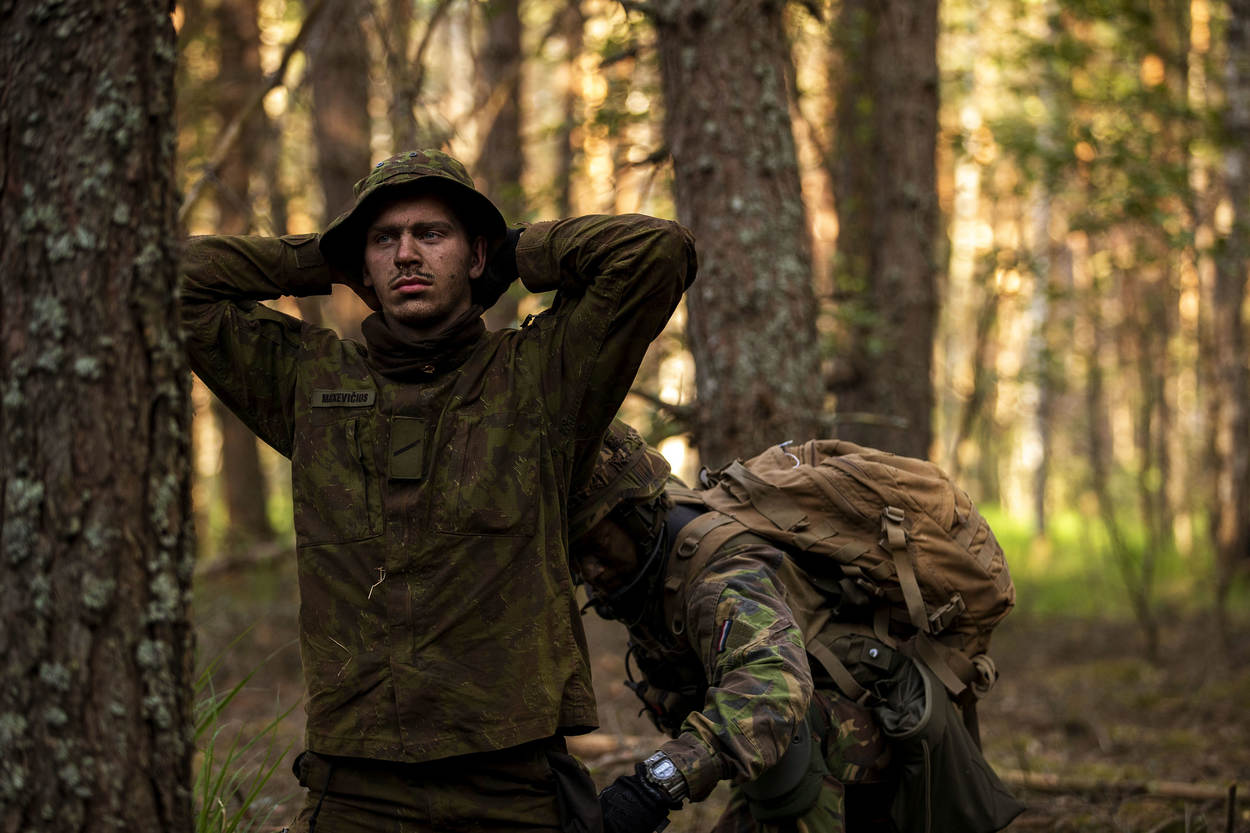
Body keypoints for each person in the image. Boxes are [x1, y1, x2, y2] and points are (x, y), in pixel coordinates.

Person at [180, 149, 697, 833]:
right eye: (383, 240)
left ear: (475, 254)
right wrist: (322, 259)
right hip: (354, 787)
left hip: (510, 786)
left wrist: (515, 251)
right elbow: (171, 280)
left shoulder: (540, 377)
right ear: (363, 265)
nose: (406, 255)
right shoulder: (309, 380)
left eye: (431, 234)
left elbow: (656, 251)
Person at [567, 421, 1023, 833]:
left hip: (881, 720)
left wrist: (657, 784)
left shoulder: (723, 579)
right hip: (821, 729)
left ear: (637, 518)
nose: (590, 571)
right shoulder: (657, 527)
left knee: (786, 751)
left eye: (598, 546)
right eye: (575, 555)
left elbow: (770, 695)